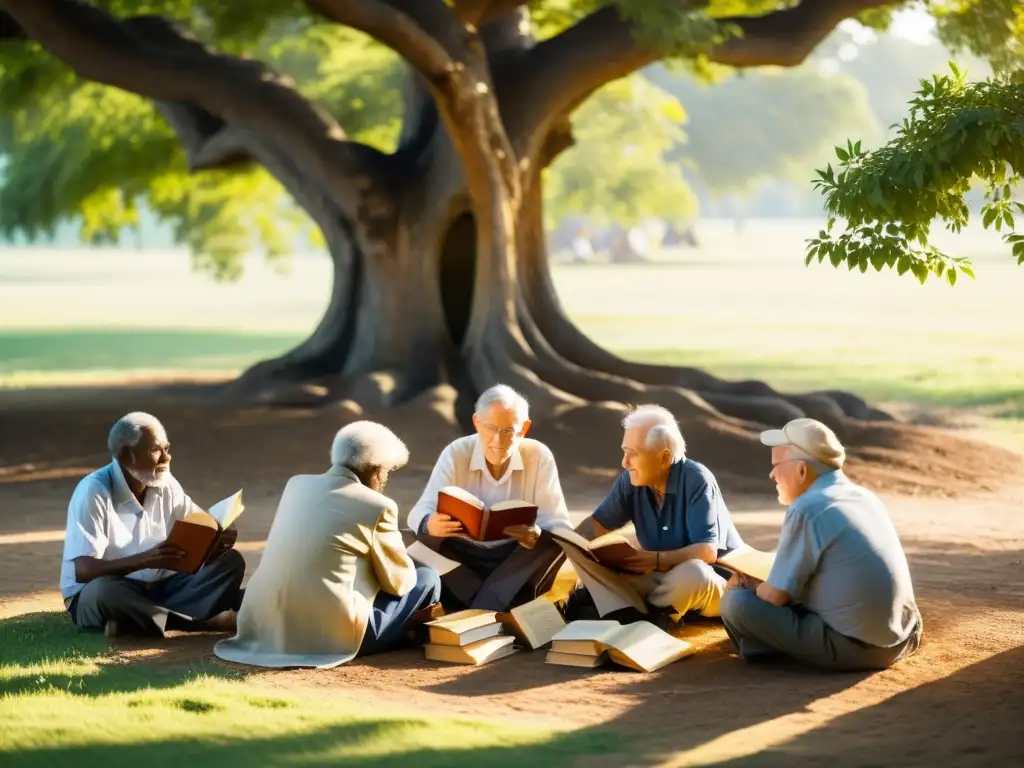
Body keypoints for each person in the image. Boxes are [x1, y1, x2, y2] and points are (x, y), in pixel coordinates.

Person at [214, 421, 441, 668]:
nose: (384, 480)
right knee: (427, 578)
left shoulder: (296, 485)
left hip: (264, 628)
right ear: (375, 470)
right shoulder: (378, 505)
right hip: (331, 638)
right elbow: (399, 584)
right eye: (386, 472)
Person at [720, 418, 923, 671]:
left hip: (857, 648)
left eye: (776, 465)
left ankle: (768, 649)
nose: (771, 474)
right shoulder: (864, 496)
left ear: (802, 471)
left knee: (736, 603)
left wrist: (747, 583)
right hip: (904, 636)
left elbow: (776, 597)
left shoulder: (807, 508)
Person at [61, 412, 245, 638]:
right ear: (126, 455)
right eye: (156, 450)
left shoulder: (165, 483)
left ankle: (134, 622)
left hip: (162, 587)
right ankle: (201, 622)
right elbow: (84, 570)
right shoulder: (94, 490)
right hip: (106, 591)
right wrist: (144, 560)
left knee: (230, 562)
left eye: (167, 448)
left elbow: (199, 525)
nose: (166, 458)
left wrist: (219, 536)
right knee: (104, 592)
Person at [564, 404, 743, 622]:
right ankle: (645, 610)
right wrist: (560, 542)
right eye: (624, 452)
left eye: (633, 454)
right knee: (605, 575)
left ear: (664, 459)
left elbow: (707, 552)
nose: (625, 462)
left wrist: (657, 560)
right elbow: (595, 527)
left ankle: (641, 615)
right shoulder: (631, 481)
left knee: (692, 574)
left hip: (712, 581)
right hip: (661, 580)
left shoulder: (697, 479)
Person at [408, 384, 571, 612]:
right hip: (464, 553)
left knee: (553, 544)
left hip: (514, 557)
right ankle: (494, 603)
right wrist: (429, 523)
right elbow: (419, 512)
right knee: (411, 541)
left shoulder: (539, 455)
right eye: (491, 428)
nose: (498, 441)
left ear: (524, 428)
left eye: (507, 431)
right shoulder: (456, 452)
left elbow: (560, 524)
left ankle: (476, 606)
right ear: (476, 423)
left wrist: (536, 534)